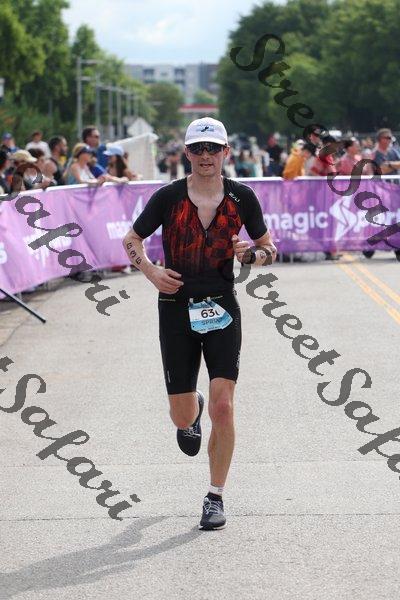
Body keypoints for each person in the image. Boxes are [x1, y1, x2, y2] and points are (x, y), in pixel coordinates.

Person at [123, 117, 277, 530]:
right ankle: (191, 413)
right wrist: (152, 272)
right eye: (198, 149)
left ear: (226, 151)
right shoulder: (168, 197)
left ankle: (215, 496)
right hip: (175, 307)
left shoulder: (242, 198)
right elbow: (131, 240)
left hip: (222, 305)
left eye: (213, 148)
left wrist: (251, 256)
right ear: (187, 153)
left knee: (224, 406)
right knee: (181, 415)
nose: (205, 156)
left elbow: (268, 249)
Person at [362, 129, 400, 261]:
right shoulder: (373, 154)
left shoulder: (394, 152)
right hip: (379, 192)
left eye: (390, 138)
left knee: (394, 219)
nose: (389, 140)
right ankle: (369, 247)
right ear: (380, 139)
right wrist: (392, 166)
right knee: (379, 221)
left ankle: (397, 248)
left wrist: (389, 164)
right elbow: (378, 170)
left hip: (394, 191)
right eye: (386, 138)